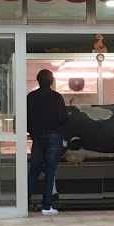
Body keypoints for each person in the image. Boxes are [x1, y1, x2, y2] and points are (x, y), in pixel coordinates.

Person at [27, 69, 68, 215]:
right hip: (54, 137)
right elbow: (63, 117)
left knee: (34, 171)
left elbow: (27, 118)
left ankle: (25, 203)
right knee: (50, 172)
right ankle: (46, 207)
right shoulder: (56, 97)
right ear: (51, 81)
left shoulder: (31, 97)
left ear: (38, 81)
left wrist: (32, 133)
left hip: (38, 137)